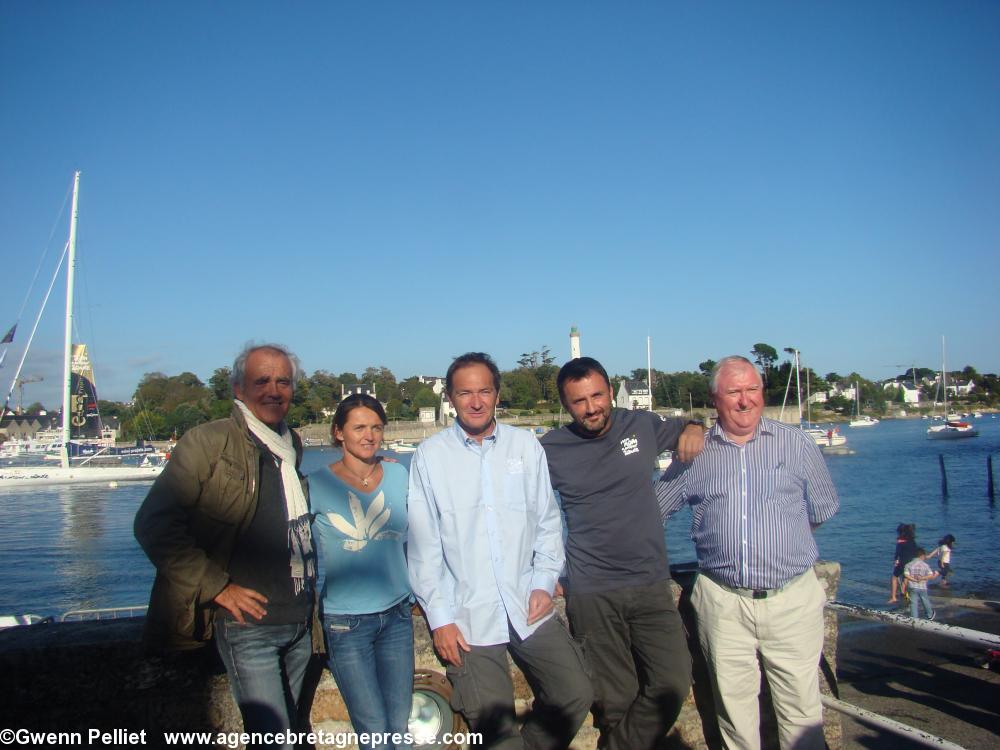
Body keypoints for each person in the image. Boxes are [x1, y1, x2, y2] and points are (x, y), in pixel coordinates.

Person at [135, 343, 316, 749]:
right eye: (262, 381)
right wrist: (217, 587)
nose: (274, 390)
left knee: (294, 731)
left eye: (283, 381)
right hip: (247, 627)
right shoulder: (207, 443)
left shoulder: (291, 445)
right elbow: (153, 524)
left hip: (300, 624)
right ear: (238, 388)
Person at [407, 352, 592, 750]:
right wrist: (440, 620)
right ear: (451, 398)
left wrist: (544, 582)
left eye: (484, 391)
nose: (476, 401)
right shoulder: (430, 457)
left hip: (526, 600)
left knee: (575, 693)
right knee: (495, 730)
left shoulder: (525, 447)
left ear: (497, 394)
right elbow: (424, 548)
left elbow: (547, 522)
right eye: (465, 392)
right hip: (467, 615)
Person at [656, 355, 839, 750]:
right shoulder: (694, 453)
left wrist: (780, 540)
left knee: (802, 713)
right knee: (734, 716)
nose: (745, 400)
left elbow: (823, 507)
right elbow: (654, 510)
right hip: (723, 603)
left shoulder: (796, 443)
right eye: (734, 391)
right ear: (715, 399)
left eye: (752, 389)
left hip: (792, 599)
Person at [539, 356, 705, 750]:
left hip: (649, 582)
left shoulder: (641, 425)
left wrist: (696, 426)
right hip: (592, 590)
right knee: (615, 701)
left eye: (597, 395)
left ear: (611, 391)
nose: (591, 407)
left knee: (673, 681)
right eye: (579, 401)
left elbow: (689, 425)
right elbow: (517, 511)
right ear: (566, 406)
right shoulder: (549, 449)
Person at [310, 394, 413, 750]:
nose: (369, 435)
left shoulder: (398, 474)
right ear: (339, 433)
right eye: (359, 427)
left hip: (398, 615)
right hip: (346, 623)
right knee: (372, 730)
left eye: (376, 427)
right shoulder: (316, 485)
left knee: (399, 726)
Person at [903, 548, 938, 620]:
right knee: (925, 600)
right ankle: (930, 615)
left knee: (913, 603)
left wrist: (914, 580)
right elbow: (930, 575)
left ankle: (914, 618)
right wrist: (922, 578)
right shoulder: (925, 565)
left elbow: (906, 575)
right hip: (922, 586)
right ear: (922, 556)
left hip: (912, 586)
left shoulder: (908, 564)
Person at [889, 524, 918, 604]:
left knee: (894, 577)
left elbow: (897, 553)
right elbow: (915, 552)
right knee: (906, 577)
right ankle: (903, 592)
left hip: (902, 562)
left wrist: (896, 560)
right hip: (911, 562)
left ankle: (894, 597)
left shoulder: (900, 541)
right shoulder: (912, 540)